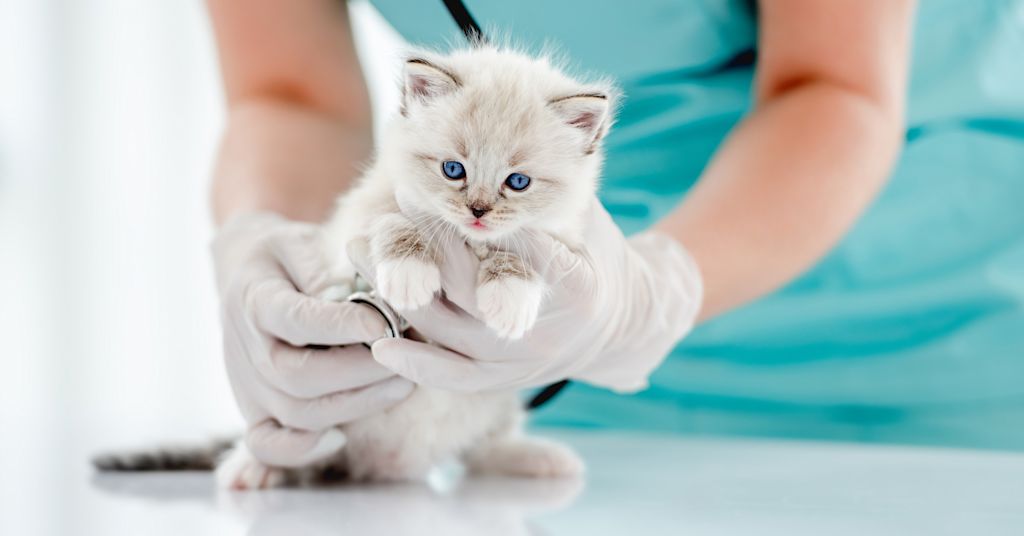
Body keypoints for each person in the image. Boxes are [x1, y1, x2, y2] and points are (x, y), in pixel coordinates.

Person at [208, 0, 1024, 468]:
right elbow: (290, 95)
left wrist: (648, 296)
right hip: (553, 374)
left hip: (934, 365)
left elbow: (834, 85)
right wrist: (274, 250)